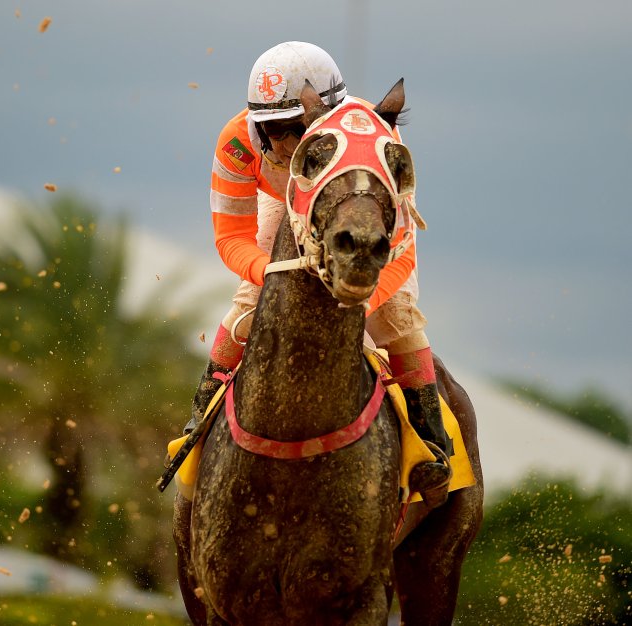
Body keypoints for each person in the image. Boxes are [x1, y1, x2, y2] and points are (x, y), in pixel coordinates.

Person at [189, 41, 452, 505]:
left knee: (398, 319)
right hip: (286, 204)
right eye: (273, 130)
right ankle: (195, 428)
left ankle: (432, 443)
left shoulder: (379, 137)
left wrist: (362, 303)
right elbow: (231, 236)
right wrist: (271, 277)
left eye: (298, 129)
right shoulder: (237, 143)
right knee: (247, 306)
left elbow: (402, 250)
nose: (286, 144)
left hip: (364, 220)